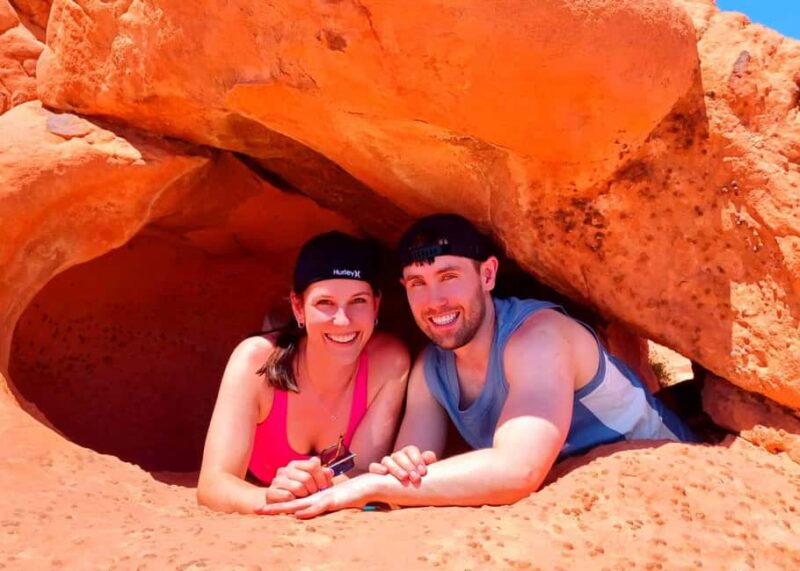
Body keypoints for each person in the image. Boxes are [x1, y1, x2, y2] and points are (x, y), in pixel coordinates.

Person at [258, 214, 698, 518]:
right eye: (418, 284)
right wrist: (376, 475)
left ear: (487, 276)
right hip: (583, 500)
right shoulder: (433, 369)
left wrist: (374, 487)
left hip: (675, 483)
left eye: (449, 277)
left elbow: (517, 470)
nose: (434, 302)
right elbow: (407, 469)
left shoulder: (537, 337)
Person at [197, 231, 410, 514]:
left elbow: (361, 471)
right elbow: (214, 484)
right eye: (325, 303)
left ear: (376, 305)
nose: (343, 320)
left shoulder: (389, 364)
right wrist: (273, 499)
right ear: (298, 307)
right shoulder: (256, 362)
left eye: (358, 301)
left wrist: (311, 495)